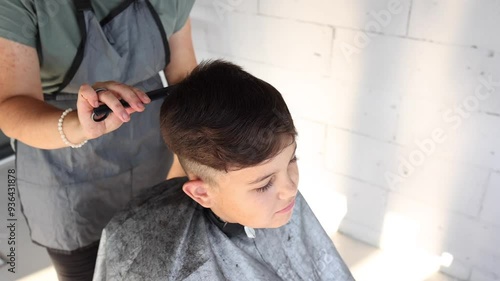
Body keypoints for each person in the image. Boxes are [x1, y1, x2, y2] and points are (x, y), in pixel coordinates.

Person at [93, 60, 355, 281]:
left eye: (292, 159)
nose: (290, 190)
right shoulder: (159, 261)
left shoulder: (277, 198)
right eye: (264, 184)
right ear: (201, 193)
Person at [0, 0, 196, 280]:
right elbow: (10, 105)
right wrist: (79, 124)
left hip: (153, 165)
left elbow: (185, 77)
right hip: (68, 178)